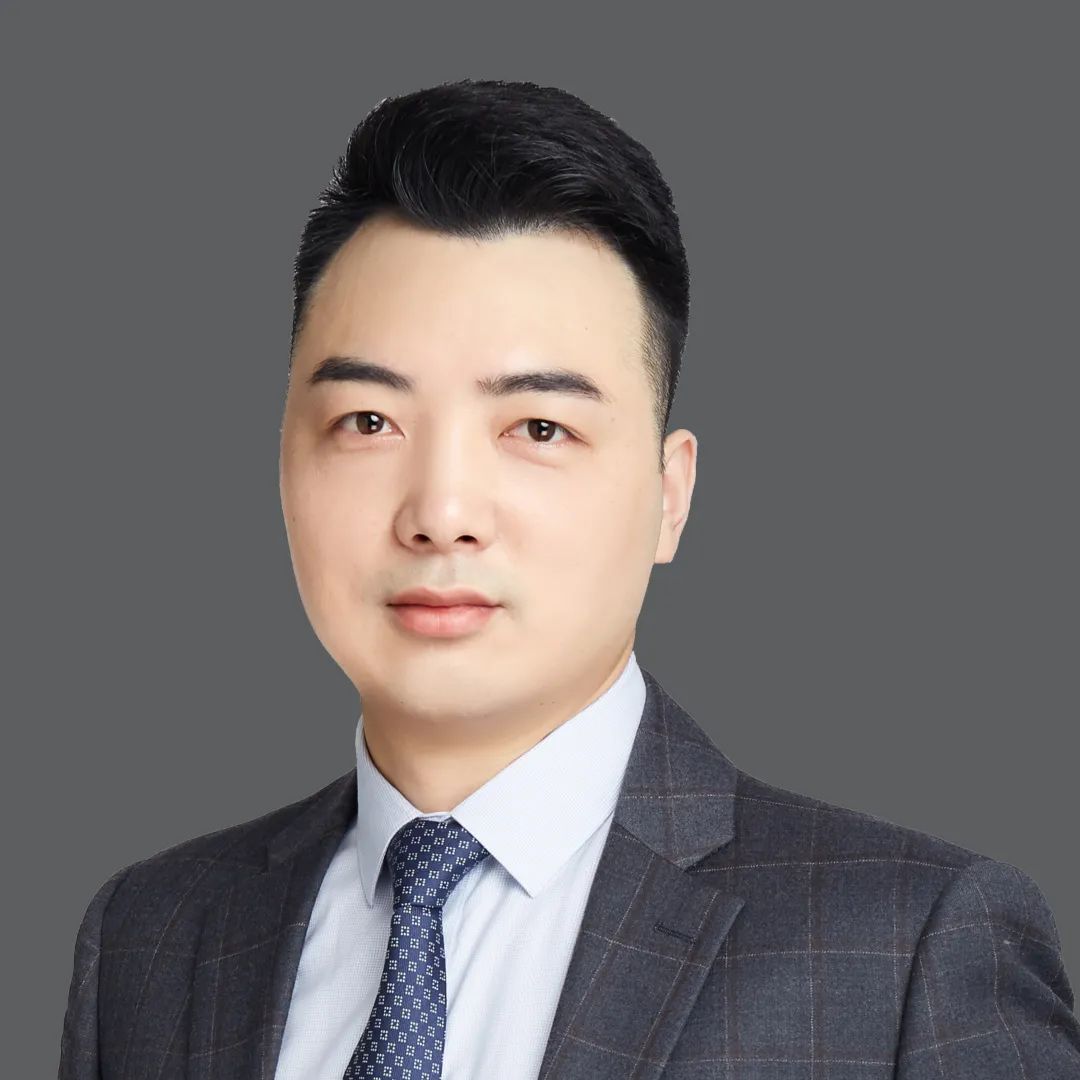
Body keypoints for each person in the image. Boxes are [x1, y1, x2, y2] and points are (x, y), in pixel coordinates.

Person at [58, 78, 1079, 1079]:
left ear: (669, 496)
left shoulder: (910, 949)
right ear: (283, 462)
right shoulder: (153, 936)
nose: (441, 512)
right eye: (369, 422)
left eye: (539, 428)